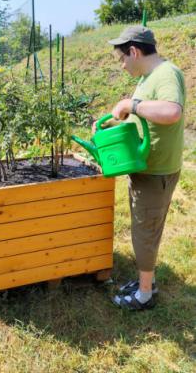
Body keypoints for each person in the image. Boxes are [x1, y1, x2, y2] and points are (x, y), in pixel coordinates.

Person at [106, 26, 185, 310]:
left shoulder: (166, 74)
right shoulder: (148, 77)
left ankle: (144, 295)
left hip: (156, 174)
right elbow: (143, 119)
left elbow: (171, 112)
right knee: (146, 230)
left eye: (122, 59)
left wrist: (132, 104)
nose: (123, 65)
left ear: (134, 52)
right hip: (146, 170)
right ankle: (146, 281)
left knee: (144, 232)